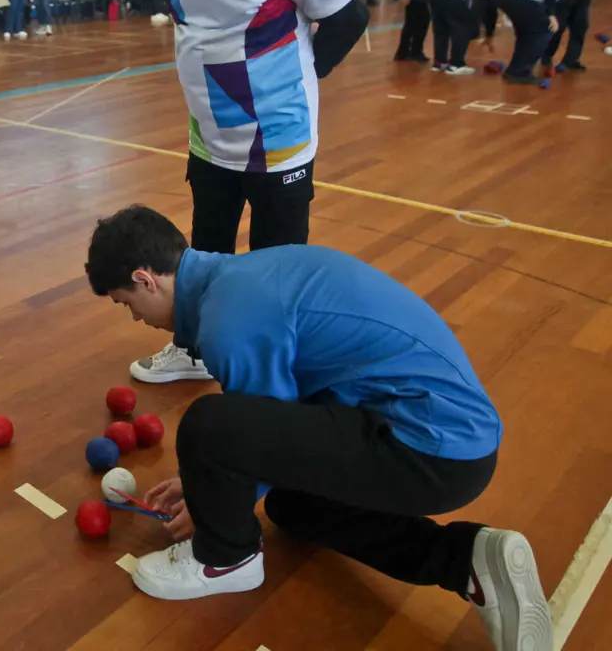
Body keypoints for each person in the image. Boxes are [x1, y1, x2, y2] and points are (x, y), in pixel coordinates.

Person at [84, 204, 552, 651]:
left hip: (432, 450)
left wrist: (214, 510)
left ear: (145, 280)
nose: (137, 318)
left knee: (207, 425)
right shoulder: (243, 276)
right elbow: (269, 431)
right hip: (453, 443)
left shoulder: (228, 319)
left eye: (128, 303)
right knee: (293, 506)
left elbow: (240, 433)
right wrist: (210, 487)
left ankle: (223, 560)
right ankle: (467, 561)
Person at [110, 0, 367, 384]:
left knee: (276, 270)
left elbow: (348, 16)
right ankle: (199, 352)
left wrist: (291, 84)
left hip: (279, 143)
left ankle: (274, 368)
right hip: (209, 139)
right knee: (204, 255)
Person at [496, 0, 593, 84]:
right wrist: (551, 14)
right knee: (545, 30)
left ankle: (515, 71)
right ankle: (519, 72)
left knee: (528, 35)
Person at [429, 0, 514, 74]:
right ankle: (456, 65)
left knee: (441, 26)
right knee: (463, 26)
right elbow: (490, 8)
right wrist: (489, 34)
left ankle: (439, 62)